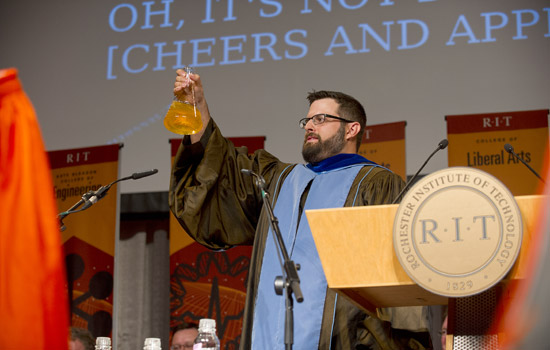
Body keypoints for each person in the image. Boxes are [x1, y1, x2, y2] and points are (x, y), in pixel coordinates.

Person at [169, 70, 429, 349]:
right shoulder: (279, 181)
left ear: (352, 129)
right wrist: (198, 106)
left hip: (344, 340)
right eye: (307, 120)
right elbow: (221, 164)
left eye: (320, 119)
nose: (309, 126)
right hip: (267, 334)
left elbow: (393, 280)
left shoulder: (377, 184)